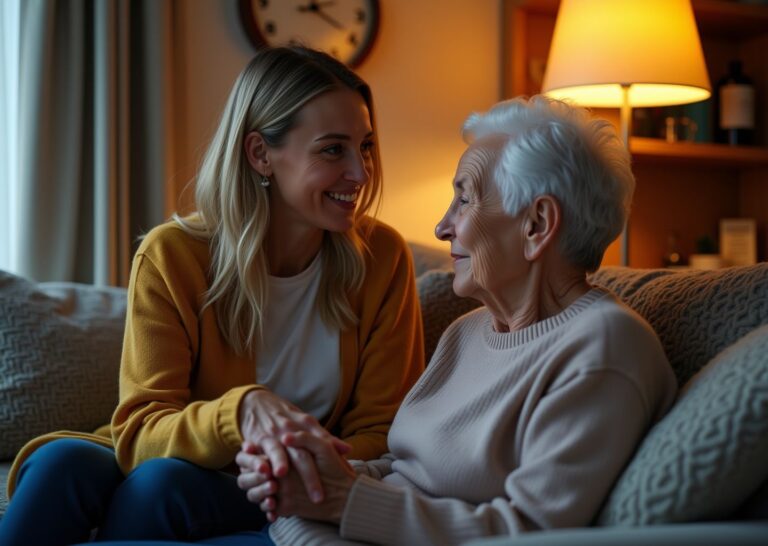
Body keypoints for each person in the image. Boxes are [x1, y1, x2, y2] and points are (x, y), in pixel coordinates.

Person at [0, 46, 424, 546]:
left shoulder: (382, 260)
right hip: (170, 465)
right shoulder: (173, 256)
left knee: (163, 487)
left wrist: (291, 463)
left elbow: (384, 430)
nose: (360, 172)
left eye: (366, 146)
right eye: (333, 150)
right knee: (60, 463)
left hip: (288, 489)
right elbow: (141, 433)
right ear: (260, 154)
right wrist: (240, 412)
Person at [233, 95, 678, 546]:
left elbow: (529, 532)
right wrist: (303, 474)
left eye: (464, 199)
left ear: (537, 225)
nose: (441, 227)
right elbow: (403, 467)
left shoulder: (604, 349)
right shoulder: (467, 332)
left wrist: (339, 501)